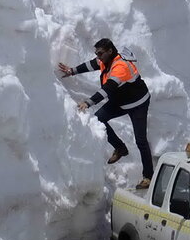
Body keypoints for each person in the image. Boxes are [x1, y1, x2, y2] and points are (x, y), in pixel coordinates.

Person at [58, 38, 154, 189]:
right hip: (121, 100)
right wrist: (72, 71)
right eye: (96, 53)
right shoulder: (105, 60)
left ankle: (148, 176)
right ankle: (120, 148)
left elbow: (107, 89)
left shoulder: (120, 67)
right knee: (99, 119)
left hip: (138, 104)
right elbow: (91, 65)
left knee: (141, 141)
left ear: (110, 51)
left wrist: (88, 102)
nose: (98, 56)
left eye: (100, 53)